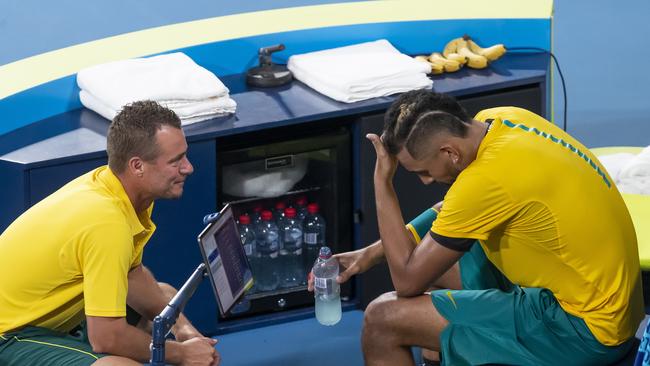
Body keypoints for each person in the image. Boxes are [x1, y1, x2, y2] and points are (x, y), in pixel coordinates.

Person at [332, 90, 644, 365]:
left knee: (382, 319)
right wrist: (371, 253)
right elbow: (452, 213)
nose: (425, 180)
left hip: (579, 330)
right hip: (612, 306)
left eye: (424, 171)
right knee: (436, 258)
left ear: (450, 152)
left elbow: (407, 282)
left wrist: (383, 183)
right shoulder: (503, 120)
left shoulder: (485, 181)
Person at [0, 101, 220, 365]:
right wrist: (183, 354)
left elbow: (132, 275)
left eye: (185, 155)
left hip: (48, 320)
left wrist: (184, 332)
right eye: (175, 161)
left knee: (167, 299)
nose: (188, 167)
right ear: (137, 166)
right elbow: (106, 338)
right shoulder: (107, 222)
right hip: (9, 334)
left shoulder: (121, 190)